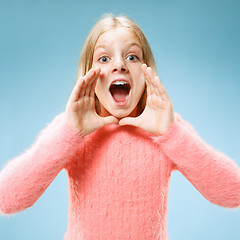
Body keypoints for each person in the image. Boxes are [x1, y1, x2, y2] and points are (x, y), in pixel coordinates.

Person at [0, 14, 239, 240]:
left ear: (148, 72)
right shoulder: (70, 131)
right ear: (89, 74)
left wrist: (172, 134)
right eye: (104, 58)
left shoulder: (168, 130)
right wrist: (69, 133)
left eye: (132, 57)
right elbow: (7, 198)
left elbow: (233, 192)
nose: (119, 65)